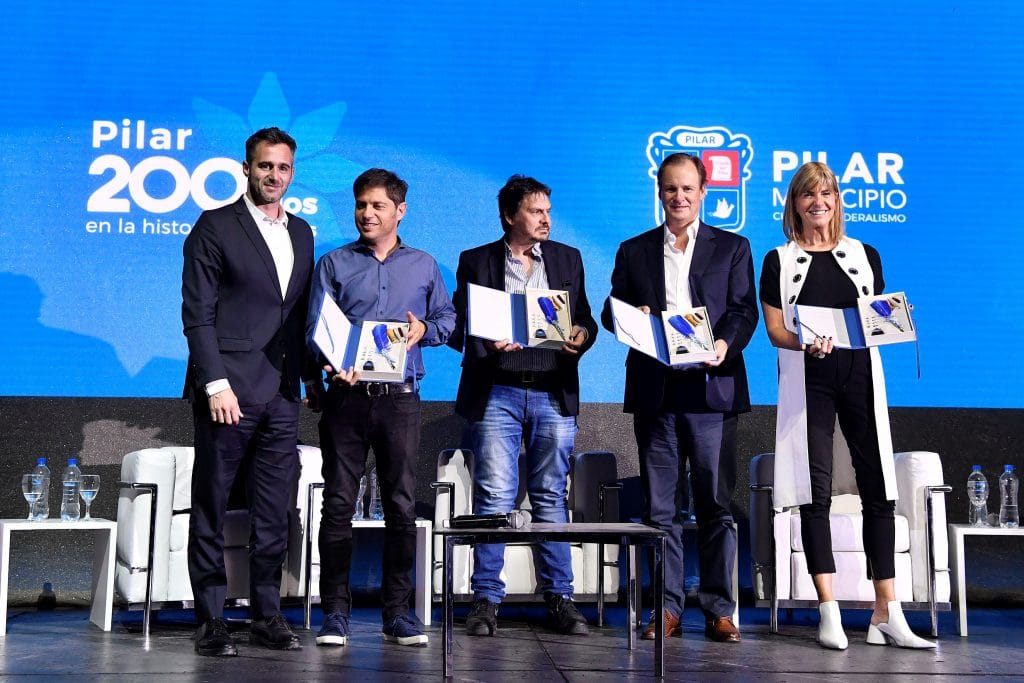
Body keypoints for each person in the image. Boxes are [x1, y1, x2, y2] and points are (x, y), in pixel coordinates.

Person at [759, 161, 935, 650]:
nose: (819, 202)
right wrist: (804, 343)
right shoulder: (778, 260)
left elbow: (873, 318)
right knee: (813, 490)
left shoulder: (864, 254)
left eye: (827, 194)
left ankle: (886, 612)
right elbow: (775, 330)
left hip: (860, 373)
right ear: (795, 204)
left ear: (838, 200)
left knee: (878, 486)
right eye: (809, 194)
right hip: (808, 377)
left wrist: (895, 318)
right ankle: (829, 610)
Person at [600, 152, 757, 643]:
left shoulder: (733, 247)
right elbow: (609, 312)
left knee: (715, 506)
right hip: (658, 394)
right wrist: (635, 316)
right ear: (660, 192)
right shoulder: (634, 250)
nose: (679, 197)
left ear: (703, 192)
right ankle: (665, 610)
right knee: (660, 511)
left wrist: (724, 344)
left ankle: (719, 610)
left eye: (688, 188)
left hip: (712, 391)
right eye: (671, 188)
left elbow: (743, 310)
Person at [308, 168, 455, 648]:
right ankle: (335, 613)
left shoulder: (424, 265)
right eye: (360, 205)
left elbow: (447, 320)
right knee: (338, 504)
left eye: (377, 206)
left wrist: (422, 330)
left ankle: (398, 614)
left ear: (399, 211)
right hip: (346, 398)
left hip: (400, 400)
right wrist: (330, 364)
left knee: (400, 506)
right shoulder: (333, 263)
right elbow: (315, 328)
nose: (366, 214)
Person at [182, 127, 314, 655]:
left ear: (292, 173)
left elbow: (298, 317)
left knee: (273, 510)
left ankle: (266, 614)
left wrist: (312, 378)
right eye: (264, 166)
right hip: (228, 392)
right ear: (246, 168)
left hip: (282, 393)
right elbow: (198, 315)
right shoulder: (214, 226)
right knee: (212, 505)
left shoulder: (302, 232)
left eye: (282, 168)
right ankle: (211, 619)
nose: (273, 176)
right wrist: (215, 383)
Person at [448, 175, 598, 637]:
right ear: (510, 215)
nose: (546, 219)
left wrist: (581, 336)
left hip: (553, 389)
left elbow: (585, 319)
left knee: (551, 494)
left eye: (548, 212)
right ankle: (486, 599)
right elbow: (456, 325)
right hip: (498, 390)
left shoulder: (567, 258)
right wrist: (486, 341)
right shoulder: (476, 261)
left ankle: (560, 597)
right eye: (536, 212)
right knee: (494, 495)